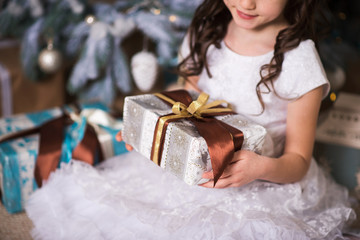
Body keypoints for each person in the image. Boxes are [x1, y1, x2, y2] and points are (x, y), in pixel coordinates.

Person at [26, 0, 355, 239]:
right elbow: (186, 99)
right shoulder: (209, 31)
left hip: (263, 180)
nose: (247, 4)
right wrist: (154, 129)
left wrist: (259, 168)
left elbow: (297, 160)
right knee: (113, 210)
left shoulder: (298, 60)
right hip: (196, 163)